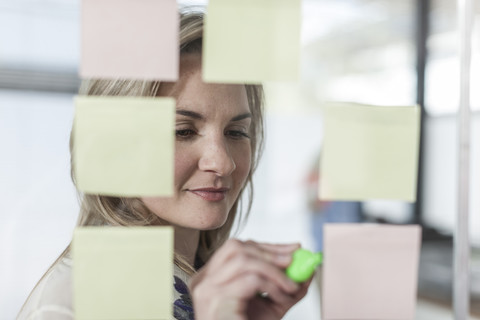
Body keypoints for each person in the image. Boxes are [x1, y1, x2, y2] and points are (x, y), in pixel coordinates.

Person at [18, 9, 311, 320]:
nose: (223, 162)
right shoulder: (76, 302)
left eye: (236, 132)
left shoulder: (209, 289)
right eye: (182, 131)